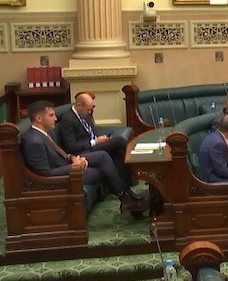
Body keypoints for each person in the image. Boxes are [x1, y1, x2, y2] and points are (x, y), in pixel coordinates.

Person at [19, 100, 147, 214]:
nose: (55, 118)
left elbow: (58, 153)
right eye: (51, 115)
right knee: (101, 169)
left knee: (103, 156)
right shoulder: (34, 141)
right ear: (39, 118)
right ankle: (125, 196)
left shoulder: (41, 133)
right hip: (62, 177)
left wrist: (72, 158)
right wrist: (73, 167)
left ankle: (125, 196)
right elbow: (45, 173)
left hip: (67, 164)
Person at [56, 91, 129, 179]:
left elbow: (91, 131)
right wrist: (94, 142)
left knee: (118, 150)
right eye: (88, 109)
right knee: (119, 140)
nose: (90, 112)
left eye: (91, 109)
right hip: (83, 151)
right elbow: (71, 146)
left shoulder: (84, 113)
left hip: (93, 145)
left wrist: (100, 139)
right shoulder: (68, 120)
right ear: (79, 105)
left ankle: (126, 183)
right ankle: (121, 190)